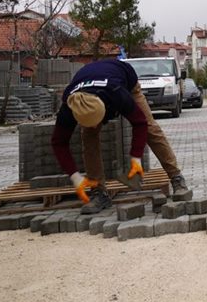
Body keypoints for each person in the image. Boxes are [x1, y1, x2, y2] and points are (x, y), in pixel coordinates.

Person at [51, 59, 190, 214]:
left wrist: (136, 158)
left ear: (105, 109)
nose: (96, 126)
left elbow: (140, 123)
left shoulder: (116, 93)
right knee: (89, 137)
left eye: (97, 122)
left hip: (123, 78)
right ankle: (99, 193)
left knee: (150, 128)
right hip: (90, 81)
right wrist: (75, 176)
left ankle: (176, 178)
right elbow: (58, 142)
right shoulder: (70, 106)